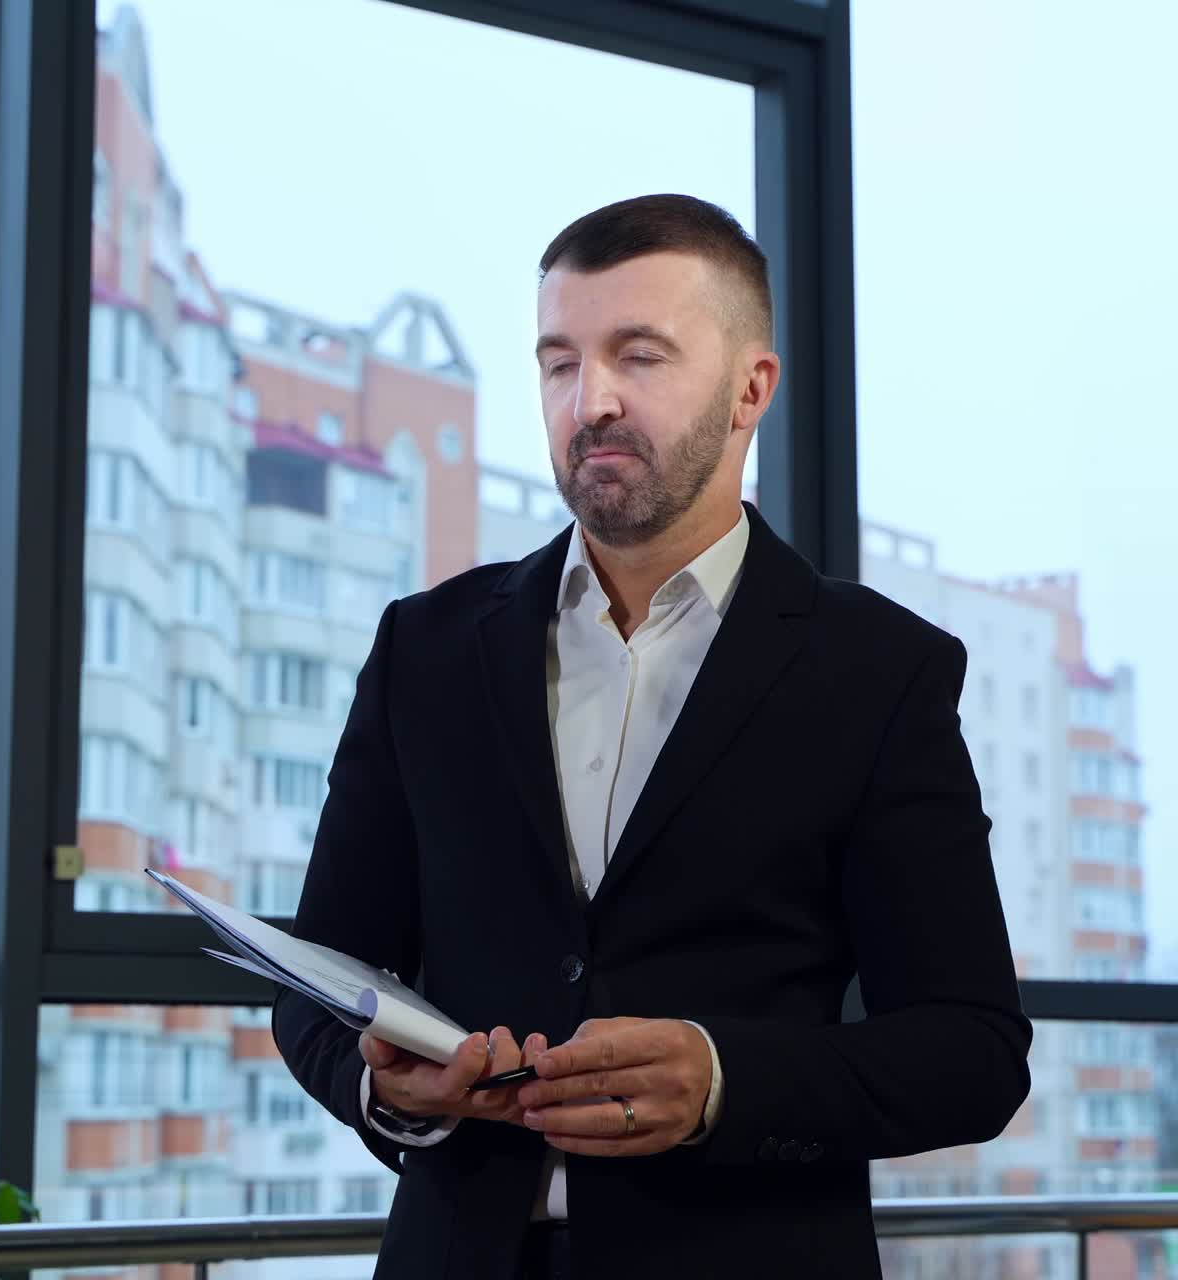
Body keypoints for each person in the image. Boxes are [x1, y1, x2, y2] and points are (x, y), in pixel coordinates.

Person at [273, 193, 1032, 1279]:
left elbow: (970, 1048)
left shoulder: (881, 671)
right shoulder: (424, 649)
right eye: (558, 363)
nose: (593, 401)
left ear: (748, 389)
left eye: (638, 355)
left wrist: (724, 1080)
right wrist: (380, 1082)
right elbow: (320, 973)